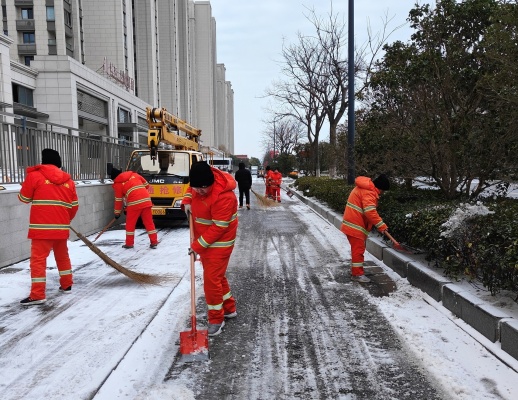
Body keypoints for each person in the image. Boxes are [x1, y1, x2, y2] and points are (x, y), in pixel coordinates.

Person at [182, 161, 238, 336]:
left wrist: (197, 246)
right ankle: (229, 308)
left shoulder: (224, 197)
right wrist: (187, 201)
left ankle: (216, 319)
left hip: (220, 243)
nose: (199, 191)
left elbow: (218, 227)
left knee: (211, 281)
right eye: (196, 188)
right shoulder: (198, 185)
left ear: (211, 181)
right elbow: (191, 189)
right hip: (205, 240)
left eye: (203, 188)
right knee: (217, 277)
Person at [18, 149, 79, 305]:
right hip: (61, 227)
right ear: (59, 162)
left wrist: (25, 187)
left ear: (43, 160)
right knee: (62, 256)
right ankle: (67, 284)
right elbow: (74, 206)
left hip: (41, 229)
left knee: (38, 260)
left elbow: (24, 198)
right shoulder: (69, 182)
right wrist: (66, 220)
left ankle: (38, 294)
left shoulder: (34, 176)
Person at [340, 174, 390, 283]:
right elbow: (370, 212)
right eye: (383, 191)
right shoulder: (369, 192)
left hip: (352, 223)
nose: (382, 193)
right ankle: (357, 274)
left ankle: (356, 271)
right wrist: (381, 226)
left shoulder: (365, 188)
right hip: (355, 225)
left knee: (357, 249)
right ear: (380, 188)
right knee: (358, 250)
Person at [111, 168, 158, 249]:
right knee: (149, 223)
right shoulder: (134, 175)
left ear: (114, 178)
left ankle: (129, 243)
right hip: (146, 201)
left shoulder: (118, 184)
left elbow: (118, 200)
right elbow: (147, 185)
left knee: (130, 224)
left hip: (134, 204)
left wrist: (117, 213)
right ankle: (154, 242)